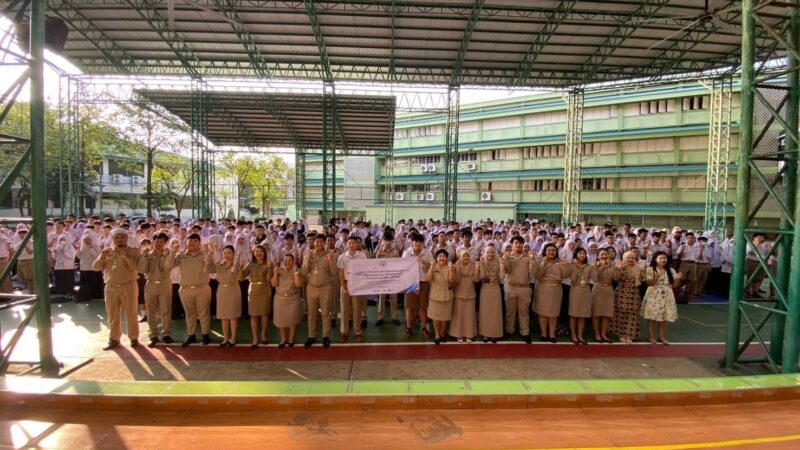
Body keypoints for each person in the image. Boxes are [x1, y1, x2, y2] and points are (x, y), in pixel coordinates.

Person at [92, 228, 141, 350]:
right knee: (112, 314)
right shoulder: (107, 252)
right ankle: (114, 338)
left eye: (122, 237)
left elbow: (135, 268)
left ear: (127, 238)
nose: (120, 240)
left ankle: (133, 337)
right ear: (113, 239)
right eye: (117, 238)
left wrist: (125, 255)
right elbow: (95, 268)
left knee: (131, 313)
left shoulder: (133, 251)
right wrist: (101, 257)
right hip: (111, 287)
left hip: (128, 285)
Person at [166, 233, 216, 347]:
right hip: (185, 289)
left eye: (195, 241)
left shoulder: (204, 254)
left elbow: (211, 269)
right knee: (189, 314)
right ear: (186, 243)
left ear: (199, 243)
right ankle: (191, 334)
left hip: (202, 287)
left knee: (204, 313)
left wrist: (208, 253)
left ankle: (205, 334)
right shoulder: (181, 255)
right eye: (190, 241)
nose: (192, 243)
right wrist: (173, 251)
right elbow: (168, 265)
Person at [138, 232, 173, 347]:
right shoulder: (147, 255)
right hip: (151, 284)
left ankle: (166, 334)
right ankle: (153, 335)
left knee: (165, 311)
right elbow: (142, 270)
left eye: (161, 241)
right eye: (156, 241)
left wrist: (166, 256)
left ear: (165, 243)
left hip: (164, 284)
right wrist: (145, 256)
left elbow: (168, 268)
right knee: (151, 312)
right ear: (153, 242)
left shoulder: (168, 254)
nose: (158, 244)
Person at [302, 234, 337, 348]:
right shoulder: (308, 254)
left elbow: (333, 272)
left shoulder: (330, 255)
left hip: (325, 287)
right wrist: (307, 261)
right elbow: (304, 272)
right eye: (317, 242)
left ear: (325, 243)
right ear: (314, 243)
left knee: (326, 313)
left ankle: (325, 336)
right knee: (311, 313)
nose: (319, 244)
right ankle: (311, 336)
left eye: (321, 242)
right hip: (311, 287)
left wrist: (331, 261)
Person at [641, 251, 682, 345]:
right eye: (660, 258)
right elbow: (649, 283)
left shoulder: (671, 270)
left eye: (664, 258)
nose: (663, 260)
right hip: (654, 294)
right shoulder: (650, 269)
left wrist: (678, 278)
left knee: (663, 317)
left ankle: (662, 337)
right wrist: (657, 276)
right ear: (655, 259)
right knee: (652, 316)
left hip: (667, 295)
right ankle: (651, 336)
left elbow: (674, 285)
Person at [501, 235, 534, 343]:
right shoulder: (508, 256)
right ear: (512, 245)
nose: (518, 245)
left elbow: (533, 272)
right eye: (516, 243)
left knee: (524, 312)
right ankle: (509, 330)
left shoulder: (528, 257)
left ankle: (525, 332)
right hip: (510, 287)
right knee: (510, 311)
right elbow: (506, 271)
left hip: (524, 288)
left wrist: (532, 259)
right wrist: (505, 260)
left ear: (523, 244)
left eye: (520, 243)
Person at [402, 233, 433, 340]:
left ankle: (424, 328)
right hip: (411, 283)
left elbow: (432, 267)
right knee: (410, 308)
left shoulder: (427, 253)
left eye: (420, 242)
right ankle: (408, 328)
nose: (417, 244)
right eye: (415, 242)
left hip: (424, 282)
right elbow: (402, 268)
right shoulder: (406, 253)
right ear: (412, 242)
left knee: (422, 307)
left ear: (422, 243)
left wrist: (422, 261)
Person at [337, 236, 368, 342]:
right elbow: (340, 273)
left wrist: (362, 285)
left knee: (357, 309)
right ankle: (344, 332)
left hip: (357, 285)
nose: (352, 245)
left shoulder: (362, 256)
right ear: (347, 244)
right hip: (346, 284)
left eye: (354, 243)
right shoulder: (342, 257)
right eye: (350, 243)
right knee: (345, 310)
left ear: (357, 244)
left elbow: (365, 271)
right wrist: (343, 286)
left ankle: (357, 331)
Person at [242, 244, 273, 348]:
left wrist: (270, 268)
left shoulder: (268, 264)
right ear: (253, 253)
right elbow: (241, 277)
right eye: (257, 251)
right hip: (253, 290)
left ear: (264, 253)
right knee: (253, 315)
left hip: (265, 289)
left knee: (264, 314)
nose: (259, 253)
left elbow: (269, 279)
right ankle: (255, 337)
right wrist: (241, 266)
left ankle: (264, 334)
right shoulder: (250, 264)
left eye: (261, 251)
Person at [534, 243, 565, 343]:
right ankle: (543, 333)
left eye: (553, 250)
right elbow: (538, 275)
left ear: (556, 252)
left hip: (556, 289)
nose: (551, 252)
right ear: (545, 251)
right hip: (542, 288)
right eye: (549, 250)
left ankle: (552, 334)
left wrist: (565, 266)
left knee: (553, 313)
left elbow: (565, 275)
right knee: (542, 312)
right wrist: (543, 263)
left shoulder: (560, 262)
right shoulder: (540, 260)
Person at [611, 251, 644, 344]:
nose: (630, 259)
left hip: (634, 294)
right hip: (621, 293)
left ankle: (629, 334)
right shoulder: (620, 266)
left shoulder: (639, 268)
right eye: (628, 257)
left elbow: (642, 280)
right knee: (621, 314)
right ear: (624, 258)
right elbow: (616, 278)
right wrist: (618, 269)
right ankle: (621, 334)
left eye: (632, 258)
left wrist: (644, 270)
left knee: (632, 315)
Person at [272, 253, 303, 347]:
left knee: (292, 320)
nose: (287, 262)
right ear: (282, 262)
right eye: (285, 260)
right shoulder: (279, 271)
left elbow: (298, 285)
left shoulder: (298, 271)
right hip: (280, 299)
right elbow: (273, 284)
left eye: (290, 260)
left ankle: (291, 339)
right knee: (281, 320)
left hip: (293, 299)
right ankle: (283, 339)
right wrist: (275, 273)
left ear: (293, 262)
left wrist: (295, 273)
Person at [214, 245, 243, 347]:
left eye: (229, 253)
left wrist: (238, 258)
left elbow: (234, 272)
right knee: (223, 316)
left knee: (233, 316)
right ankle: (225, 337)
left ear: (233, 254)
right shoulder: (219, 265)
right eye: (225, 252)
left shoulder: (237, 265)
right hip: (222, 289)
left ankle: (233, 337)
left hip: (233, 289)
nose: (227, 255)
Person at [427, 249, 455, 345]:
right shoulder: (433, 267)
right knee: (436, 317)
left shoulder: (450, 267)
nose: (442, 258)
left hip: (447, 295)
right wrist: (431, 267)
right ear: (436, 258)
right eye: (439, 256)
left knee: (444, 316)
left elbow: (451, 280)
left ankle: (442, 332)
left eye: (444, 256)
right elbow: (429, 279)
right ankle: (437, 334)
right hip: (435, 296)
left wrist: (451, 269)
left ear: (447, 258)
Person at [450, 249, 479, 343]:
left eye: (467, 256)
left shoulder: (474, 265)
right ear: (460, 257)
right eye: (464, 256)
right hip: (459, 293)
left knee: (469, 315)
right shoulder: (456, 266)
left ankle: (469, 334)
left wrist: (477, 269)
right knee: (459, 315)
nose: (466, 257)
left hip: (470, 293)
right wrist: (455, 269)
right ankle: (458, 334)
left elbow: (476, 280)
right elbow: (455, 281)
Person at [566, 247, 592, 345]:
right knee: (574, 314)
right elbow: (572, 279)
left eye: (584, 253)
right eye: (580, 253)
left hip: (586, 290)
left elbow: (594, 278)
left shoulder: (589, 266)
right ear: (576, 255)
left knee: (583, 314)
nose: (582, 255)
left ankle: (580, 335)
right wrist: (576, 267)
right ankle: (573, 334)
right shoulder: (571, 266)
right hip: (575, 289)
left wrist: (594, 268)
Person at [374, 231, 400, 326]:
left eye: (390, 240)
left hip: (393, 279)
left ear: (392, 241)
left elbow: (398, 265)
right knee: (381, 299)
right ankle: (380, 318)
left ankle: (394, 317)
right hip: (382, 279)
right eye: (386, 240)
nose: (388, 242)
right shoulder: (379, 251)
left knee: (394, 299)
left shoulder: (395, 252)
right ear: (383, 241)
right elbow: (376, 265)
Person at [478, 245, 504, 343]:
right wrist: (482, 264)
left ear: (495, 253)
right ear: (485, 253)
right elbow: (482, 277)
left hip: (496, 288)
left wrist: (501, 265)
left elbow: (501, 277)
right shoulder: (482, 263)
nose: (490, 254)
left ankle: (494, 334)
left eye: (492, 252)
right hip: (485, 288)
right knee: (485, 312)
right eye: (488, 252)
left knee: (495, 312)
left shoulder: (498, 263)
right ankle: (485, 333)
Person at [590, 248, 615, 343]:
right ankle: (596, 333)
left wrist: (618, 270)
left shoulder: (612, 265)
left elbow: (616, 278)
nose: (604, 256)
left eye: (606, 254)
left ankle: (604, 333)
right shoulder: (594, 265)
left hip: (609, 290)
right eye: (602, 255)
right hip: (598, 290)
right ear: (598, 256)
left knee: (607, 314)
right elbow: (594, 279)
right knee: (596, 313)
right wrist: (602, 267)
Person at [76, 232, 102, 301]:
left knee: (94, 282)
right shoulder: (82, 247)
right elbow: (79, 256)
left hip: (93, 267)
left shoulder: (96, 247)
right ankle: (85, 295)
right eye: (85, 240)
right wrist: (78, 249)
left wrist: (90, 248)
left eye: (88, 239)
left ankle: (94, 295)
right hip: (84, 267)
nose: (86, 241)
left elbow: (97, 256)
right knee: (85, 282)